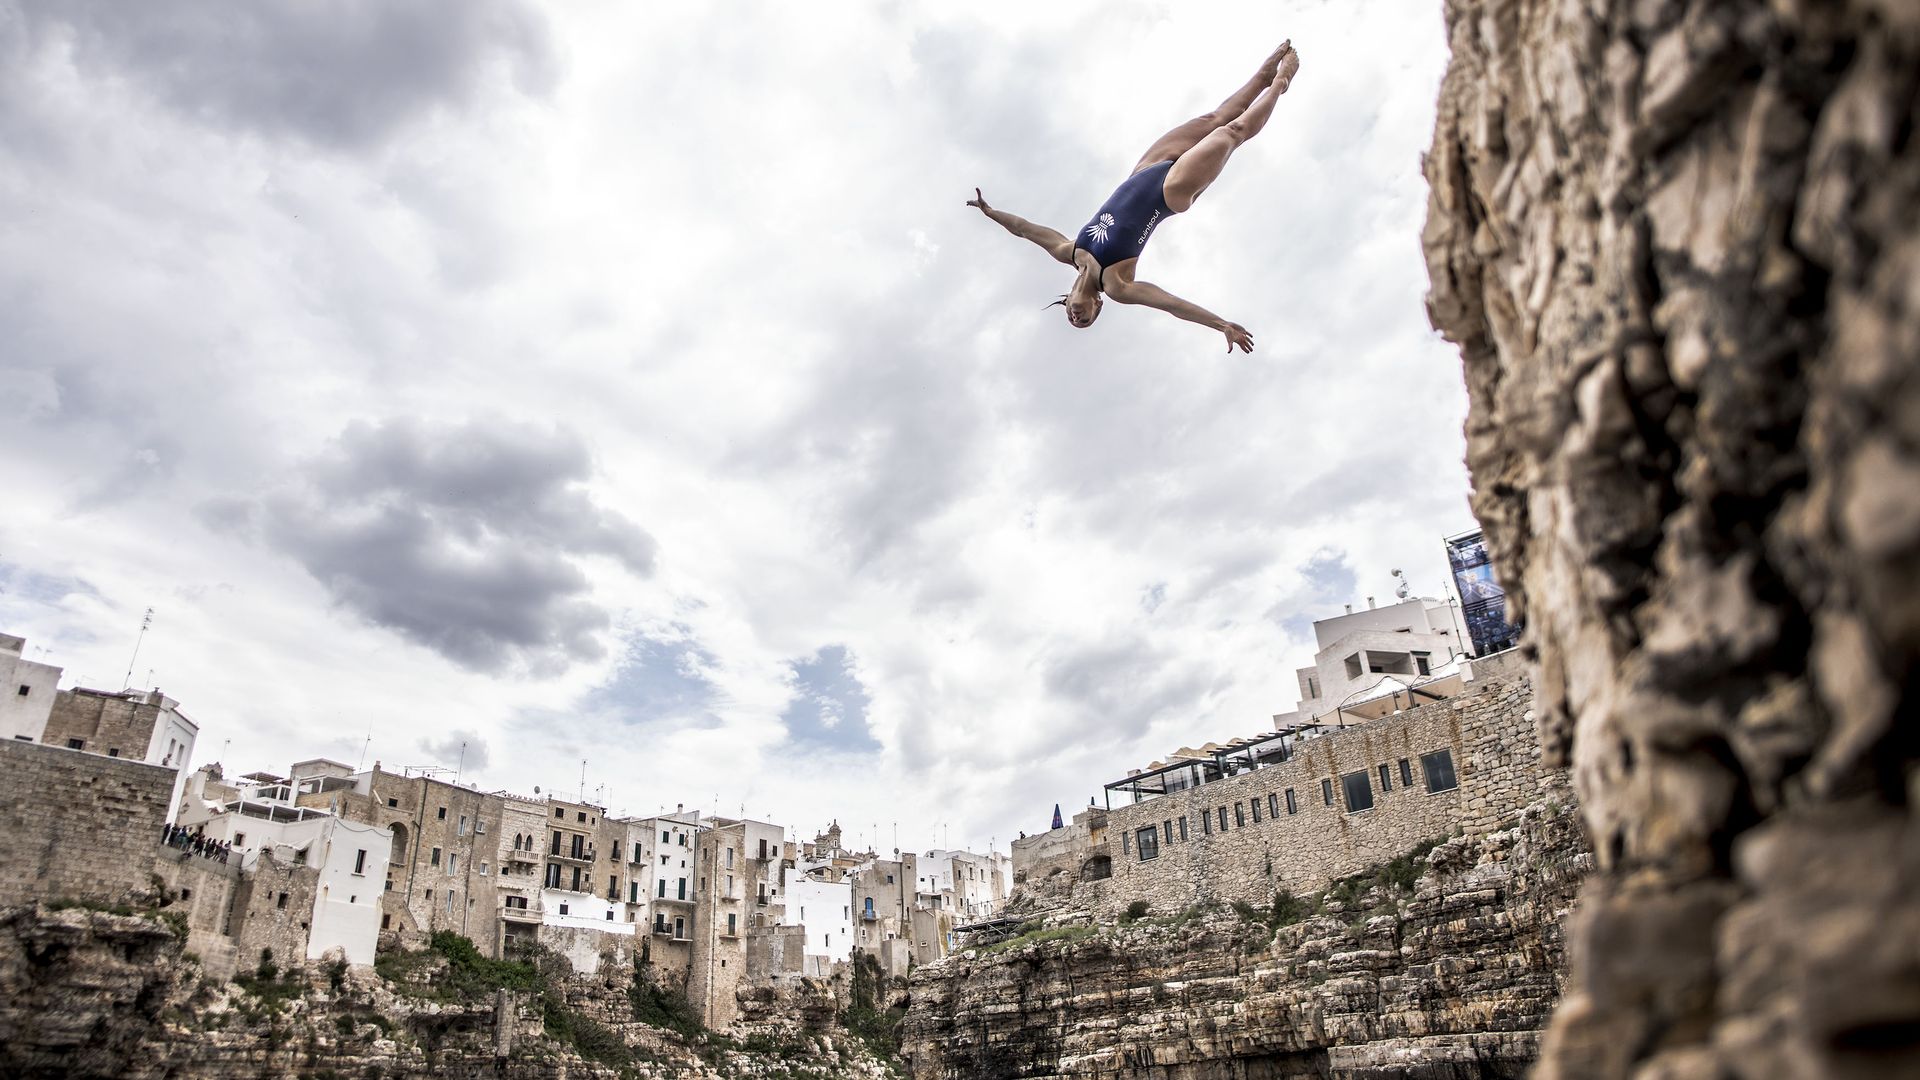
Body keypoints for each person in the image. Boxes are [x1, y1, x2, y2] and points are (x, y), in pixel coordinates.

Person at [969, 42, 1301, 352]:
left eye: (1071, 317)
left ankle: (1263, 75)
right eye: (1085, 321)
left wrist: (990, 212)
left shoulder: (1069, 251)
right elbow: (1171, 305)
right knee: (1231, 132)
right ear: (1098, 306)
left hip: (1146, 169)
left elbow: (1024, 229)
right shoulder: (1117, 285)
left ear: (1067, 302)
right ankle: (1280, 83)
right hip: (1170, 192)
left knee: (1213, 119)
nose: (1076, 318)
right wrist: (1220, 324)